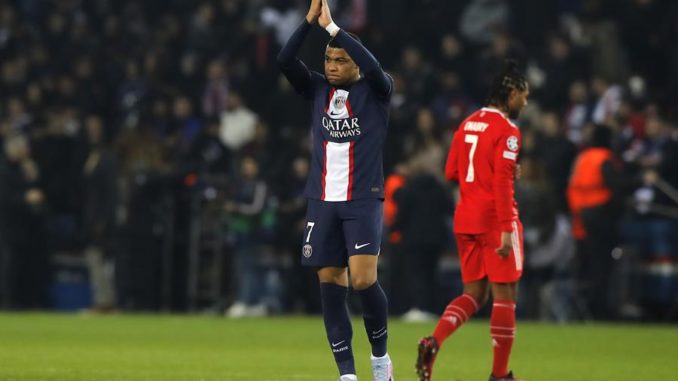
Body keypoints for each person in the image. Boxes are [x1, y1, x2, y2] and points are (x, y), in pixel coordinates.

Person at [277, 1, 394, 380]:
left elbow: (374, 66)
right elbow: (284, 60)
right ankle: (346, 374)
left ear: (356, 65)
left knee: (362, 280)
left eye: (341, 59)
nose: (331, 65)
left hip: (362, 198)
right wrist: (310, 22)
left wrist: (334, 29)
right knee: (330, 282)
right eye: (328, 59)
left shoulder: (377, 91)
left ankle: (380, 360)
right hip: (323, 199)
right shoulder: (315, 88)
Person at [416, 60, 529, 381]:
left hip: (466, 218)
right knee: (505, 296)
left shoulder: (466, 124)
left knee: (473, 294)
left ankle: (433, 341)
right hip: (496, 221)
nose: (525, 102)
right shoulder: (508, 131)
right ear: (509, 94)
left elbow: (451, 172)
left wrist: (487, 171)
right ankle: (500, 375)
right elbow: (502, 184)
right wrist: (508, 228)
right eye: (523, 95)